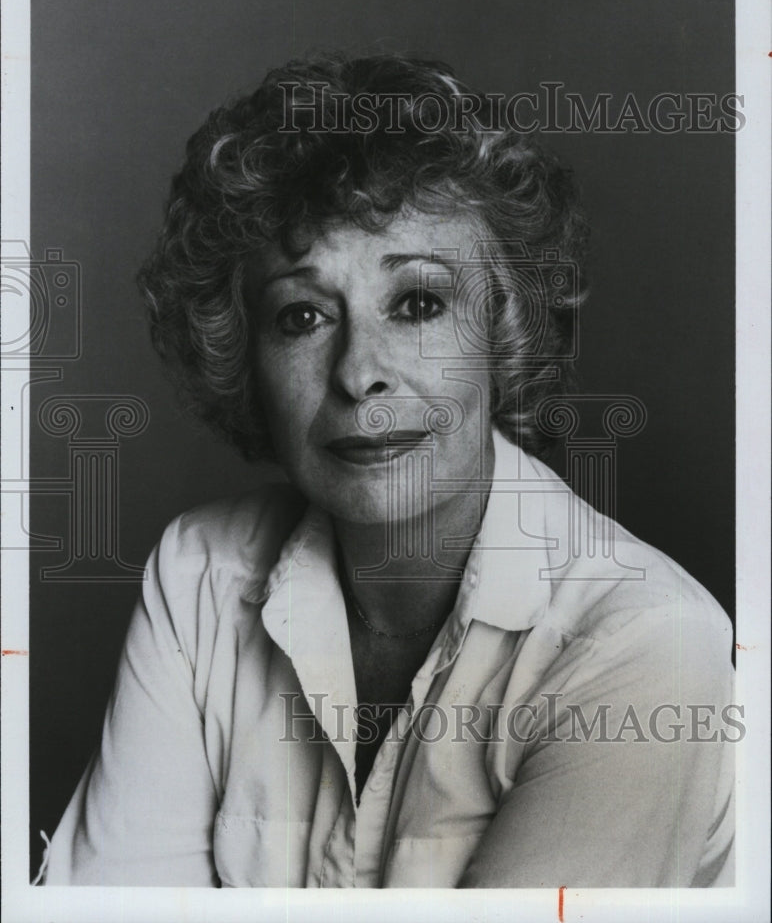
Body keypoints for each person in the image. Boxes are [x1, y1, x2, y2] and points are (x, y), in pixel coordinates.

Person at [44, 53, 734, 888]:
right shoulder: (199, 574)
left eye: (416, 303)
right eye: (301, 316)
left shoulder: (644, 642)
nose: (357, 372)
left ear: (503, 328)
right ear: (245, 361)